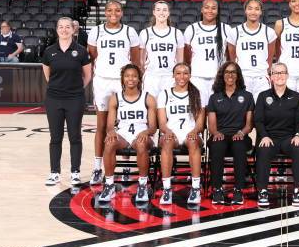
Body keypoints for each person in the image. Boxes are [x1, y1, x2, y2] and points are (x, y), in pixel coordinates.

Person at [87, 0, 141, 185]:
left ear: (122, 12)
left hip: (122, 82)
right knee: (102, 125)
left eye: (117, 10)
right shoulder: (96, 31)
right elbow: (93, 55)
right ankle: (97, 167)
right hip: (102, 81)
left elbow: (135, 60)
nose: (113, 13)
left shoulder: (129, 32)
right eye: (109, 10)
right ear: (104, 12)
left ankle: (125, 166)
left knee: (124, 124)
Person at [42, 17, 92, 186]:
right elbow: (48, 76)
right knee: (55, 137)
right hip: (54, 99)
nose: (64, 30)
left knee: (75, 136)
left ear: (73, 29)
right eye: (61, 27)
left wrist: (76, 89)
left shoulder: (81, 51)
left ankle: (75, 172)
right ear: (57, 30)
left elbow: (88, 76)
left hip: (75, 99)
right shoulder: (49, 51)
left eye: (67, 27)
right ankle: (54, 172)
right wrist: (59, 88)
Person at [97, 64, 157, 203]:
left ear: (139, 79)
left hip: (142, 133)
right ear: (123, 79)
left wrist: (146, 132)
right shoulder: (115, 98)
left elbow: (153, 127)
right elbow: (110, 125)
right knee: (109, 142)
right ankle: (110, 184)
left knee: (141, 144)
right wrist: (111, 132)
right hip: (123, 134)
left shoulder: (148, 98)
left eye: (134, 76)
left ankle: (142, 185)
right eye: (127, 76)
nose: (131, 79)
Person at [254, 62, 299, 207]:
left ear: (288, 75)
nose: (279, 76)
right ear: (271, 77)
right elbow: (258, 120)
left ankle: (298, 190)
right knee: (263, 150)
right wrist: (264, 135)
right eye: (276, 73)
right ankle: (263, 190)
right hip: (269, 138)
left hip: (289, 138)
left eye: (282, 72)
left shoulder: (296, 97)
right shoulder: (263, 96)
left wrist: (298, 135)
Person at [157, 63, 205, 205]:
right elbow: (162, 123)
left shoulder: (197, 94)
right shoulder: (164, 94)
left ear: (190, 76)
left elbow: (200, 123)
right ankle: (167, 189)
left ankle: (195, 188)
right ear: (173, 75)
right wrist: (167, 131)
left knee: (193, 141)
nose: (181, 76)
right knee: (166, 142)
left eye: (185, 73)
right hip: (172, 131)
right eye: (178, 73)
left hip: (191, 131)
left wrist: (195, 131)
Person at [206, 61, 254, 205]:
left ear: (238, 76)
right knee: (217, 146)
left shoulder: (247, 96)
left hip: (240, 135)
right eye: (227, 72)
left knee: (239, 146)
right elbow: (212, 125)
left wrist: (242, 132)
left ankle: (238, 190)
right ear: (222, 76)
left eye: (233, 72)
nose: (230, 75)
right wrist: (215, 133)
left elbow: (249, 124)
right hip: (220, 134)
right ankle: (217, 190)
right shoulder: (214, 97)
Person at [184, 0, 231, 107]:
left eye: (214, 8)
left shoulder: (226, 29)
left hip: (218, 77)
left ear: (218, 11)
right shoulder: (192, 29)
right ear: (201, 10)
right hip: (197, 77)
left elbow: (229, 56)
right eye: (207, 7)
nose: (210, 11)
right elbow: (187, 56)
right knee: (198, 109)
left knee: (218, 109)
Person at [227, 0, 277, 102]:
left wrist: (265, 70)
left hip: (261, 77)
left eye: (256, 9)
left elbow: (270, 56)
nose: (253, 12)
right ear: (245, 11)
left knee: (261, 110)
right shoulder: (234, 32)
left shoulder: (269, 32)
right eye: (250, 8)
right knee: (242, 110)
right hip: (243, 76)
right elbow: (232, 57)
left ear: (261, 12)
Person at [139, 0, 184, 100]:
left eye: (164, 10)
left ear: (168, 13)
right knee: (150, 108)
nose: (161, 13)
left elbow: (180, 61)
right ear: (154, 12)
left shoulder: (177, 33)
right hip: (151, 76)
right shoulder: (145, 33)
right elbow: (141, 61)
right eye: (158, 10)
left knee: (167, 109)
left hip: (169, 76)